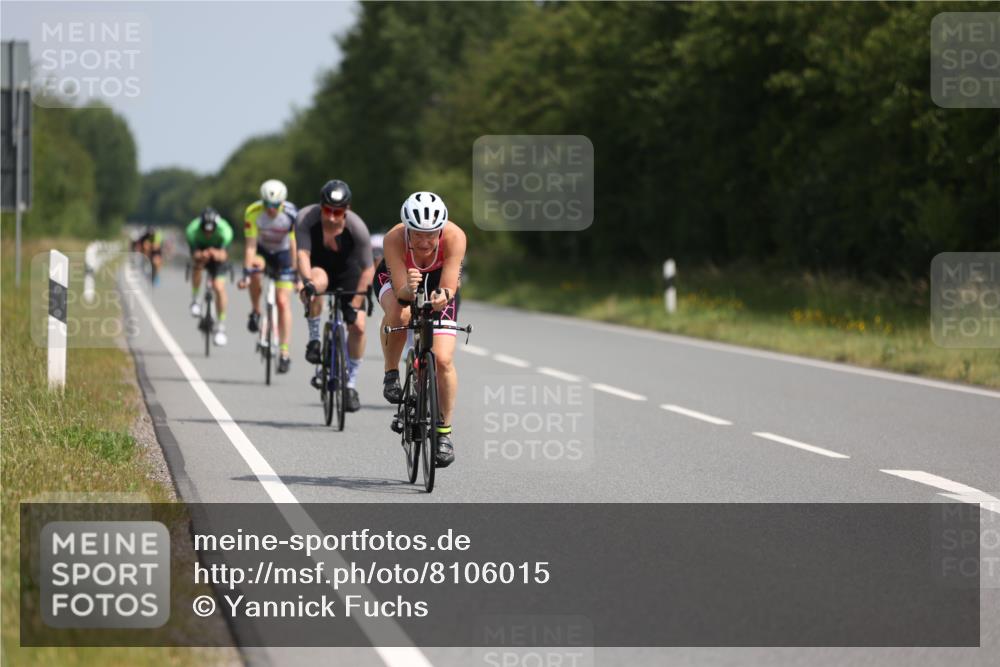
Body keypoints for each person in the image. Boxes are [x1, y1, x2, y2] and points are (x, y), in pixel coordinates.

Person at [376, 191, 466, 467]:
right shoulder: (394, 238)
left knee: (442, 359)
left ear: (441, 230)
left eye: (431, 234)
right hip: (399, 280)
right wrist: (409, 287)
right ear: (407, 230)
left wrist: (443, 296)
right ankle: (391, 373)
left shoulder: (454, 237)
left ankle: (443, 433)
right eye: (417, 235)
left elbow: (450, 284)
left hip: (439, 281)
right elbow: (403, 294)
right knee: (400, 313)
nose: (425, 241)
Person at [296, 179, 374, 412]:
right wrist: (307, 283)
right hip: (319, 267)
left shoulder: (357, 227)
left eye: (337, 212)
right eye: (327, 210)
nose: (331, 217)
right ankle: (314, 340)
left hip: (348, 271)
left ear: (346, 210)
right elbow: (302, 254)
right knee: (315, 286)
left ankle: (350, 384)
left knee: (358, 326)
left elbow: (368, 268)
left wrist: (355, 304)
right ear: (321, 206)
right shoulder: (306, 219)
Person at [239, 179, 299, 373]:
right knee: (255, 269)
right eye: (267, 204)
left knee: (283, 302)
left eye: (275, 205)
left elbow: (294, 246)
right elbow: (250, 246)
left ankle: (284, 352)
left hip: (283, 255)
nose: (271, 209)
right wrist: (247, 272)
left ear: (282, 202)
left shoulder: (291, 214)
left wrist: (297, 274)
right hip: (262, 252)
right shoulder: (253, 212)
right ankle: (256, 311)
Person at [186, 207, 234, 346]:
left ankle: (220, 327)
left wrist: (215, 253)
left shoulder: (225, 231)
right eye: (205, 230)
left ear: (215, 226)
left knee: (219, 288)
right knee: (197, 266)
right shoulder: (192, 230)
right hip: (200, 251)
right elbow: (194, 254)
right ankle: (195, 300)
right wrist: (201, 255)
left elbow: (224, 255)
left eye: (210, 230)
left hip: (218, 253)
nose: (207, 233)